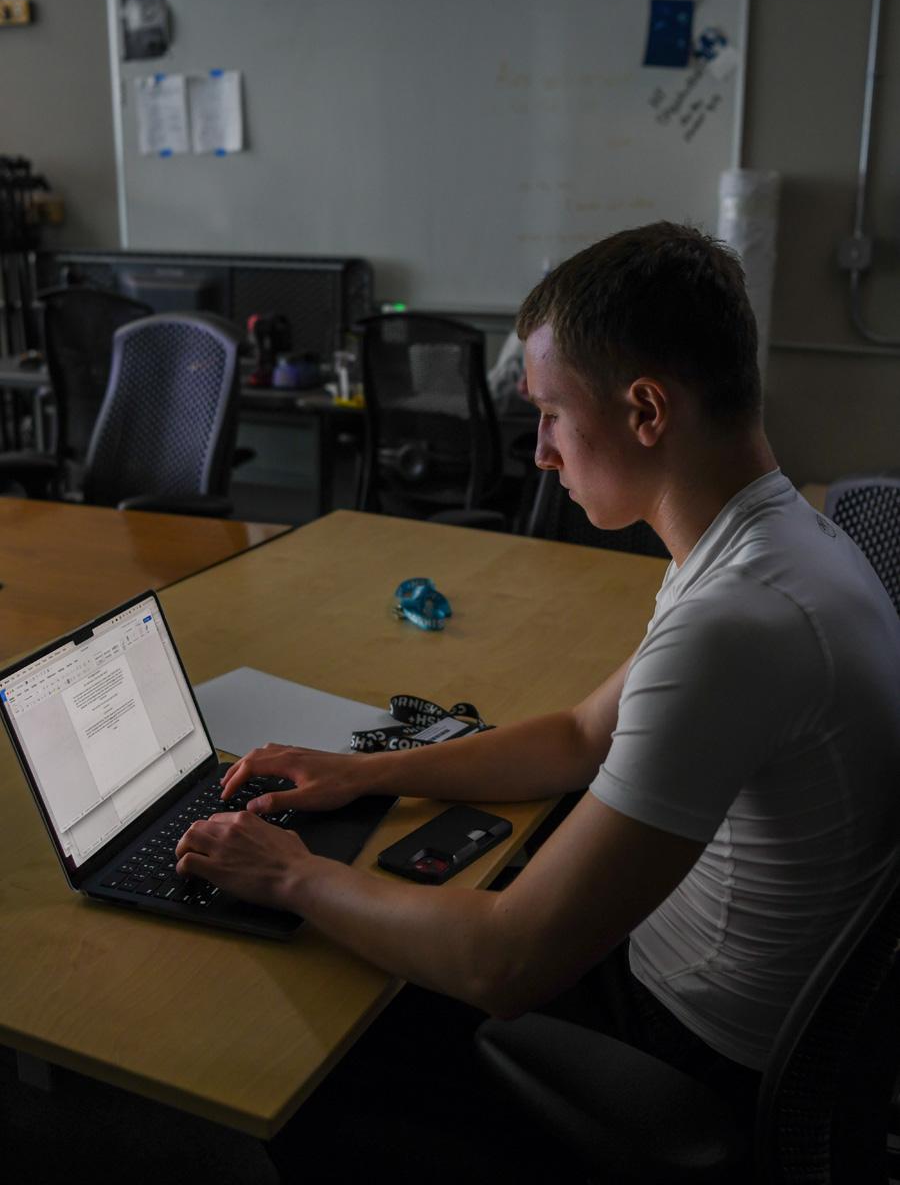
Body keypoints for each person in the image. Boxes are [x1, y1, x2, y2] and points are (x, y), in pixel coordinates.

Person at [175, 222, 900, 1179]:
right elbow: (578, 735)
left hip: (693, 1052)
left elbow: (506, 963)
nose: (542, 455)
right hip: (712, 992)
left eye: (553, 415)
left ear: (646, 410)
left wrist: (286, 873)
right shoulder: (781, 541)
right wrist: (360, 772)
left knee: (310, 1053)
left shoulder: (739, 619)